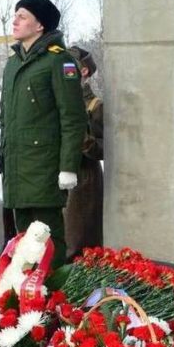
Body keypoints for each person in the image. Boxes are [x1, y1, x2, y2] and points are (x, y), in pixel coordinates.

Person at [0, 0, 86, 269]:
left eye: (22, 16)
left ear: (40, 25)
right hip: (17, 168)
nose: (15, 21)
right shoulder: (13, 63)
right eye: (15, 15)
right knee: (22, 242)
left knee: (47, 240)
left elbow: (73, 118)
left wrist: (68, 167)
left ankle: (53, 290)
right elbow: (7, 117)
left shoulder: (60, 61)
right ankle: (25, 292)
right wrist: (3, 155)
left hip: (45, 168)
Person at [63, 46, 103, 260]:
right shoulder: (57, 102)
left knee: (77, 246)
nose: (64, 70)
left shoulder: (95, 106)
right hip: (56, 178)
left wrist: (82, 140)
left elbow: (106, 148)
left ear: (84, 71)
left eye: (69, 66)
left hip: (83, 183)